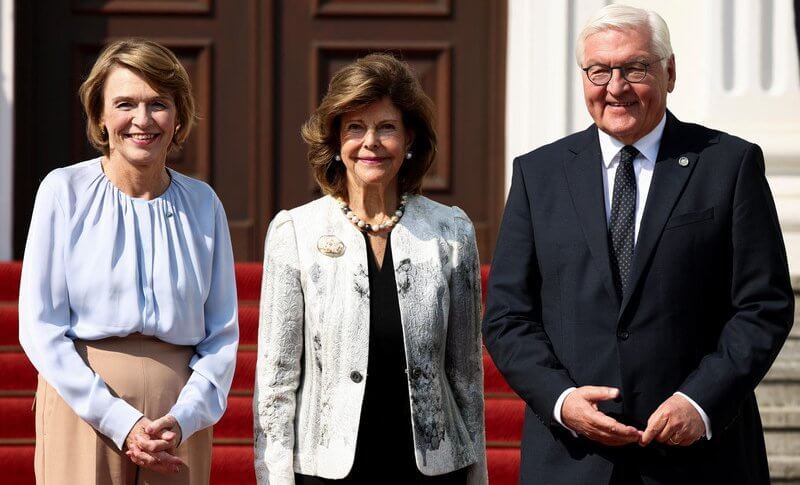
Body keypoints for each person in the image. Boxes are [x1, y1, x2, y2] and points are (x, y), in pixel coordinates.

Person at [482, 5, 793, 484]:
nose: (616, 87)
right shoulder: (536, 174)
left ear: (669, 72)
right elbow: (507, 316)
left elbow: (763, 305)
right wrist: (563, 401)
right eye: (599, 70)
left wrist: (700, 401)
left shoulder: (728, 166)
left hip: (699, 460)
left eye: (635, 68)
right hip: (573, 460)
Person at [253, 53, 487, 485]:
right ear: (336, 142)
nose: (370, 142)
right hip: (328, 468)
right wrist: (275, 478)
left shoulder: (450, 231)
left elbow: (466, 375)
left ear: (410, 138)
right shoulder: (295, 231)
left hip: (433, 468)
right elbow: (276, 380)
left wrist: (478, 476)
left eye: (386, 128)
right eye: (355, 128)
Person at [18, 39, 239, 484]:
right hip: (84, 410)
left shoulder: (204, 204)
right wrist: (118, 419)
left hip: (178, 421)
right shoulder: (63, 192)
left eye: (158, 103)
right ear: (100, 114)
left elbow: (222, 335)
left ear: (178, 117)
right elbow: (40, 327)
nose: (142, 119)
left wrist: (186, 416)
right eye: (125, 104)